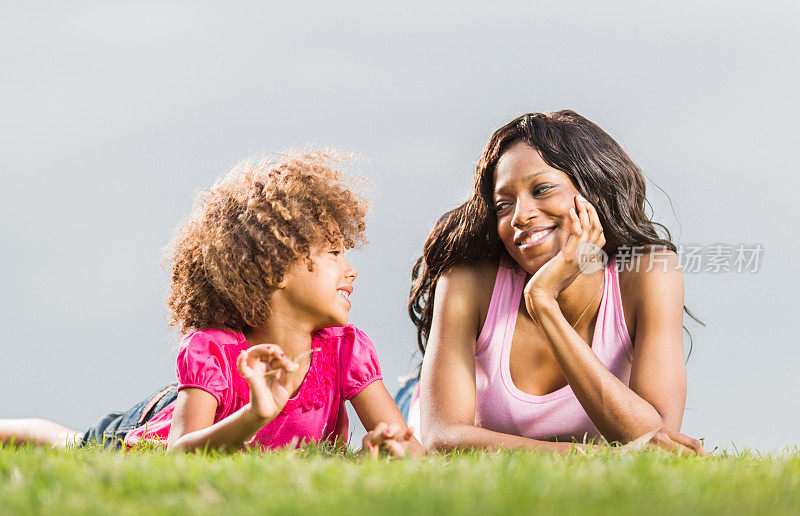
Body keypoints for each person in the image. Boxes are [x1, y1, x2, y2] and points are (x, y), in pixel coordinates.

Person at [0, 150, 420, 458]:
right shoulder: (213, 350)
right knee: (71, 444)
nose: (352, 270)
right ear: (275, 269)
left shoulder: (347, 349)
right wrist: (256, 414)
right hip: (149, 432)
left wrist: (383, 456)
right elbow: (179, 456)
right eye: (333, 253)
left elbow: (408, 450)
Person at [405, 111, 706, 455]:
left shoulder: (647, 274)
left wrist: (543, 303)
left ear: (593, 189)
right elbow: (442, 437)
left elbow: (658, 438)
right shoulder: (467, 279)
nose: (519, 215)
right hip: (414, 421)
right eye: (504, 205)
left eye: (542, 189)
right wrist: (595, 457)